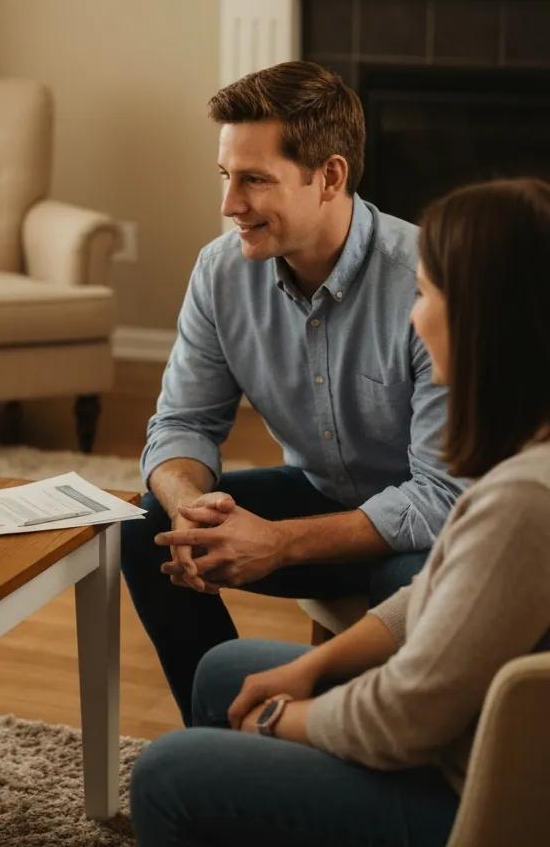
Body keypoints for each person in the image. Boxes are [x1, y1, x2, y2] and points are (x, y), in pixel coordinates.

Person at [129, 176, 550, 846]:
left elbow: (403, 715)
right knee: (217, 663)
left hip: (471, 790)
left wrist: (274, 723)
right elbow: (441, 599)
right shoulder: (525, 467)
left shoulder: (524, 500)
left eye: (433, 294)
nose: (415, 315)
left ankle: (234, 783)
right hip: (458, 729)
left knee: (165, 774)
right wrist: (312, 669)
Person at [123, 61, 466, 725]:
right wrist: (190, 506)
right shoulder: (221, 274)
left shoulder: (428, 285)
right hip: (323, 496)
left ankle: (360, 766)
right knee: (148, 530)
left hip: (420, 534)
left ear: (330, 176)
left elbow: (443, 495)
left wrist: (279, 543)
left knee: (415, 588)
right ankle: (223, 740)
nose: (230, 205)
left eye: (255, 180)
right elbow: (181, 424)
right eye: (227, 177)